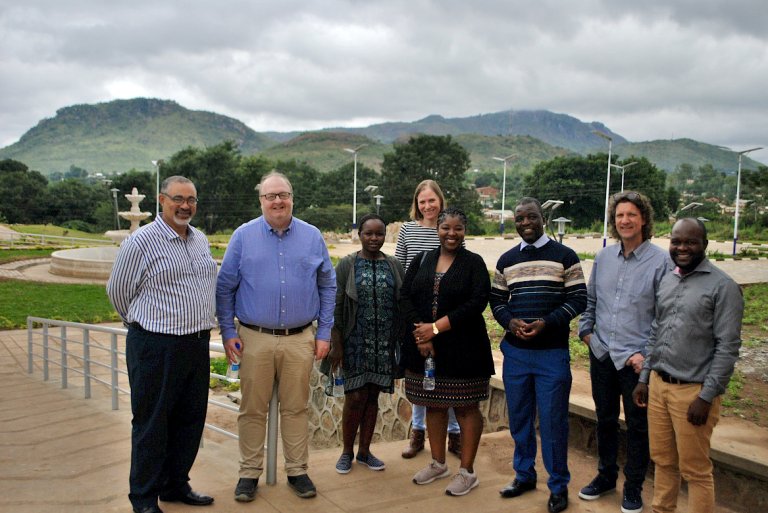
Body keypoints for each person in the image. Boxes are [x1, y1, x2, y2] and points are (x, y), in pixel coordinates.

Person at [216, 171, 336, 501]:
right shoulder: (243, 237)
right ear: (261, 201)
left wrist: (324, 332)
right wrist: (228, 331)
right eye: (271, 196)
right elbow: (224, 287)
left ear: (292, 198)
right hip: (254, 338)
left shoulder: (312, 237)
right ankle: (248, 473)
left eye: (283, 194)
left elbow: (328, 285)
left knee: (296, 408)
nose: (278, 201)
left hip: (300, 338)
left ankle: (297, 470)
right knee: (252, 409)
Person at [107, 176, 217, 513]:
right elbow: (118, 292)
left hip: (196, 344)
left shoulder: (200, 240)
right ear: (161, 199)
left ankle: (174, 485)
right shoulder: (140, 242)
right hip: (156, 346)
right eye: (178, 199)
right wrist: (145, 327)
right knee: (151, 423)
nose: (185, 206)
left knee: (189, 420)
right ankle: (143, 498)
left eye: (192, 200)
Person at [632, 218, 743, 513]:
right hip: (658, 386)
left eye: (690, 242)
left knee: (695, 471)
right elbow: (657, 330)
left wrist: (706, 397)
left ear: (704, 245)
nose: (682, 248)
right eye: (677, 241)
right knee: (664, 461)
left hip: (693, 394)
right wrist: (645, 377)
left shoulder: (724, 287)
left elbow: (727, 348)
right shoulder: (668, 278)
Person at [577, 191, 673, 513]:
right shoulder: (603, 258)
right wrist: (587, 334)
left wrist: (646, 356)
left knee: (638, 426)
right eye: (619, 216)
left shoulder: (662, 261)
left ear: (644, 218)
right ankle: (605, 476)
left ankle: (633, 488)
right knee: (604, 419)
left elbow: (665, 316)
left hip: (636, 365)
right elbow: (591, 303)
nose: (625, 221)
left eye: (631, 214)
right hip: (602, 355)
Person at [490, 197, 587, 513]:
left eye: (531, 216)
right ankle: (524, 475)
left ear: (542, 218)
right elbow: (498, 302)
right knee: (519, 420)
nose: (525, 222)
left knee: (553, 423)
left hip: (551, 355)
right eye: (519, 218)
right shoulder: (506, 261)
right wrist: (510, 322)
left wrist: (547, 322)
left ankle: (558, 486)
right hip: (516, 354)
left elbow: (578, 299)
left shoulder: (565, 256)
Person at [401, 207, 494, 497]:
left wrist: (436, 328)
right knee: (433, 404)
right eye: (446, 228)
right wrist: (421, 333)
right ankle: (438, 463)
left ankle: (467, 472)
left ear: (464, 230)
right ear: (437, 229)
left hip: (464, 350)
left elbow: (478, 302)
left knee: (467, 408)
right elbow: (405, 296)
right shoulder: (422, 259)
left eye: (457, 228)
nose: (451, 234)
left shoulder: (473, 263)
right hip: (424, 350)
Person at [327, 214, 405, 474]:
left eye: (379, 234)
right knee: (355, 396)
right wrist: (336, 342)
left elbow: (401, 303)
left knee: (373, 397)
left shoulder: (393, 265)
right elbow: (336, 305)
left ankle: (365, 452)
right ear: (360, 234)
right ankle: (346, 451)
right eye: (368, 233)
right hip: (354, 342)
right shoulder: (348, 265)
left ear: (385, 236)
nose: (374, 238)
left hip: (383, 343)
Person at [395, 179, 462, 459]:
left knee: (447, 376)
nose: (427, 206)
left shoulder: (447, 228)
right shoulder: (408, 231)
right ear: (416, 204)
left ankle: (455, 434)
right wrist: (411, 319)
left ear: (440, 201)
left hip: (445, 316)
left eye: (431, 200)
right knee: (421, 376)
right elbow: (399, 270)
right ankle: (418, 432)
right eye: (422, 201)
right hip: (416, 314)